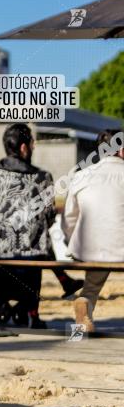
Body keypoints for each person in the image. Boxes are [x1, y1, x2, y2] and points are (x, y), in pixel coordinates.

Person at [0, 124, 62, 329]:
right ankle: (32, 311)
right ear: (24, 148)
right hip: (28, 256)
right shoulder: (43, 178)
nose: (33, 148)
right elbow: (49, 217)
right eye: (32, 144)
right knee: (36, 240)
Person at [62, 129, 124, 332]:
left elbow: (68, 220)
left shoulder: (80, 176)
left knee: (94, 281)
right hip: (120, 249)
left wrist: (73, 242)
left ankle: (86, 302)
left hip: (88, 249)